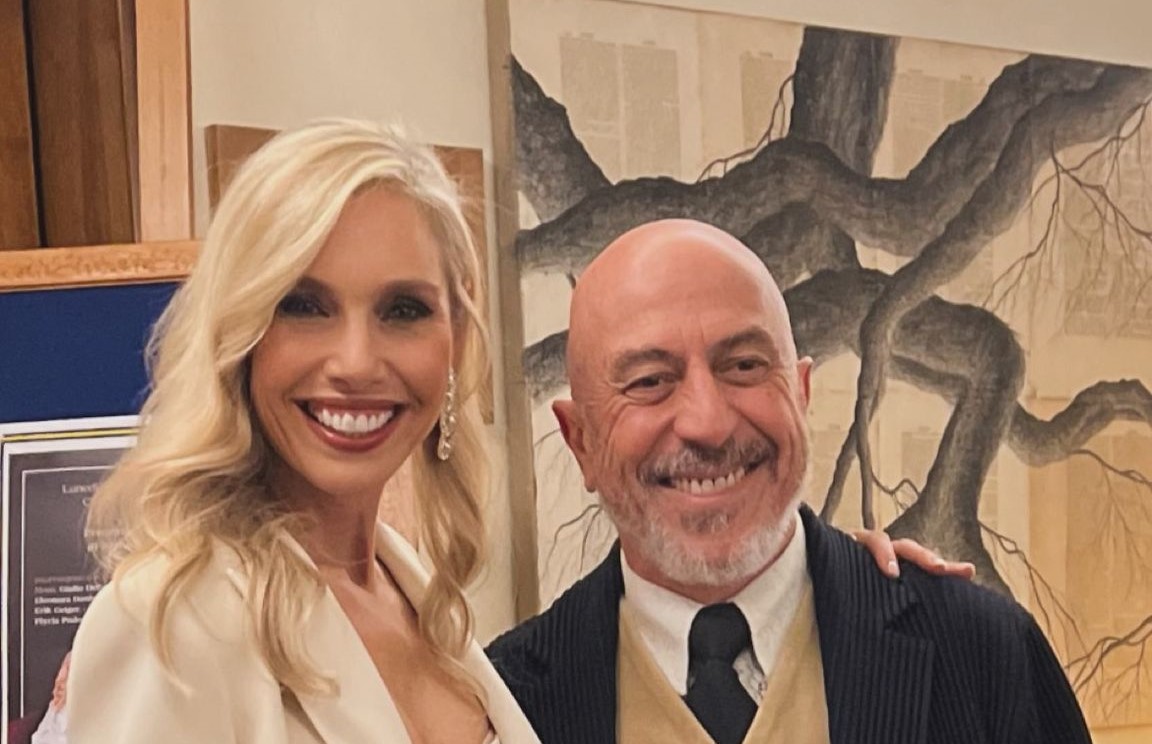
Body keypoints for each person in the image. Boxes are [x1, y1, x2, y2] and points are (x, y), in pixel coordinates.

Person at [486, 219, 1092, 744]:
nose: (708, 423)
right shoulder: (502, 707)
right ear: (581, 441)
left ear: (801, 393)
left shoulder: (983, 651)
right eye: (649, 381)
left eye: (744, 365)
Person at [66, 119, 540, 743]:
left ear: (455, 337)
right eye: (303, 306)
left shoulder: (419, 600)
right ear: (238, 338)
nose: (356, 363)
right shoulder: (171, 620)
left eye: (403, 310)